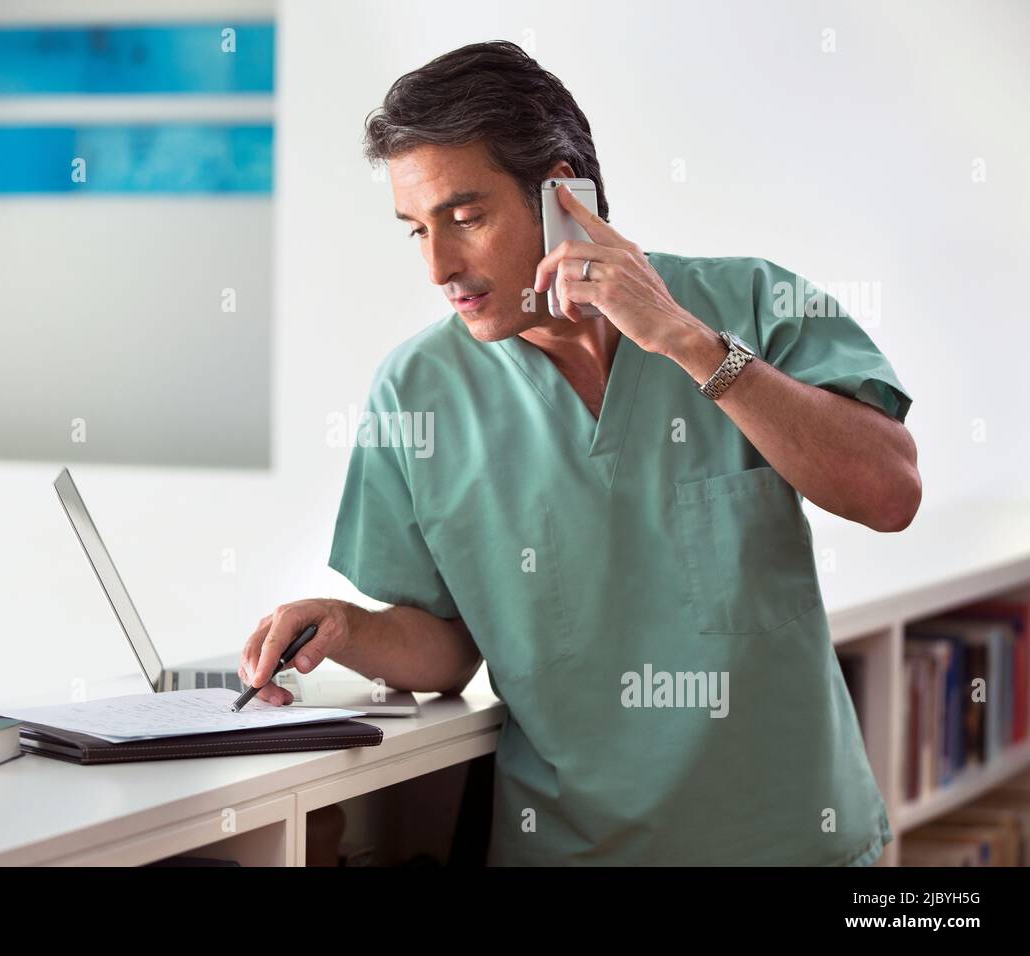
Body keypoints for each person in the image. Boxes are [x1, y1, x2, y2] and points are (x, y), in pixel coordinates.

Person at [240, 41, 920, 865]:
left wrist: (692, 346)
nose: (438, 266)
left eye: (465, 218)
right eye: (416, 230)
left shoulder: (749, 301)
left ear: (564, 194)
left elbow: (889, 493)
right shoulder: (415, 392)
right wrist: (347, 626)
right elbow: (449, 650)